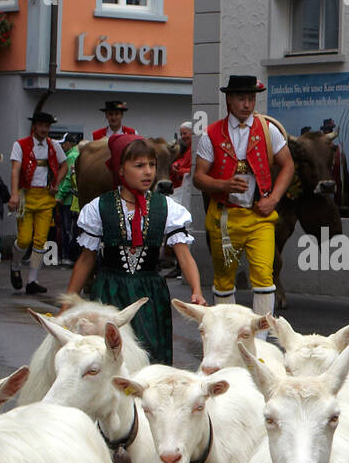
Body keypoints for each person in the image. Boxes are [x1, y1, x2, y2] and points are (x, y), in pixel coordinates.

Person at [65, 135, 204, 363]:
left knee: (150, 355)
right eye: (139, 166)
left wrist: (196, 291)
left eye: (152, 165)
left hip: (150, 295)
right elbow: (86, 260)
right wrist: (67, 303)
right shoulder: (99, 207)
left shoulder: (166, 208)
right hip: (109, 291)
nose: (148, 172)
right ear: (120, 169)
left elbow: (184, 256)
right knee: (107, 357)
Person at [192, 75, 294, 318]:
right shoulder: (211, 134)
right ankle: (228, 331)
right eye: (241, 98)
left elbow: (288, 166)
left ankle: (261, 338)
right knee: (224, 280)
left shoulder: (269, 131)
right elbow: (198, 177)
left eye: (251, 98)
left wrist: (274, 199)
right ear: (229, 100)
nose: (247, 104)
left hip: (260, 217)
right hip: (224, 218)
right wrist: (223, 184)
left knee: (263, 275)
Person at [9, 110, 66, 295]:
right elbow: (15, 170)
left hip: (46, 197)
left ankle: (32, 280)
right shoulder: (20, 145)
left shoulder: (53, 146)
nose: (44, 129)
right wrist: (14, 194)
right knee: (24, 239)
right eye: (41, 125)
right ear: (34, 126)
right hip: (26, 196)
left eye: (47, 126)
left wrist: (57, 183)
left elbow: (65, 165)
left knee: (40, 241)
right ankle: (15, 264)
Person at [163, 121, 194, 278]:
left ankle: (181, 267)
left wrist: (179, 169)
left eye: (185, 133)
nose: (183, 136)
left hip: (186, 195)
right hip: (181, 191)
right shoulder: (185, 150)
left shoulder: (193, 150)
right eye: (181, 134)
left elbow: (192, 168)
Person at [53, 132, 84, 265]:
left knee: (68, 230)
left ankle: (67, 256)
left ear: (69, 143)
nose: (62, 147)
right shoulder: (77, 155)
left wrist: (59, 195)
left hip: (68, 200)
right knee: (76, 229)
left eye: (63, 144)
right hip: (76, 200)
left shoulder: (71, 157)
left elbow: (68, 179)